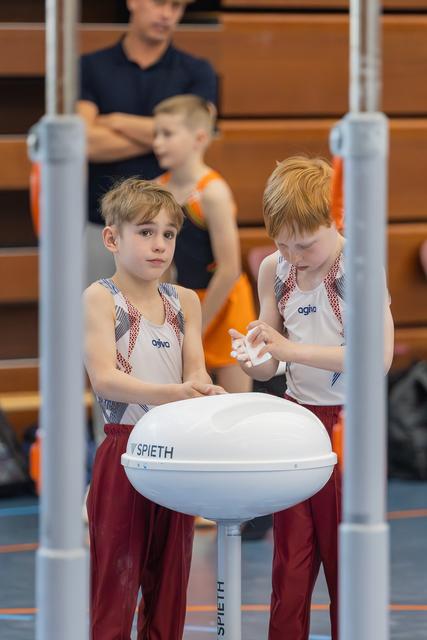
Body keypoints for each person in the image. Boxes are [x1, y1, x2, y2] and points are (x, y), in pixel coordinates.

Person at [229, 156, 394, 640]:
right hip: (298, 424)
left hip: (350, 426)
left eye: (305, 244)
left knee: (346, 560)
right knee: (291, 563)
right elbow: (272, 361)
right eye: (282, 244)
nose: (294, 256)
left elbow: (375, 359)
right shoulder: (274, 272)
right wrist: (253, 358)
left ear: (334, 221)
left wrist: (289, 349)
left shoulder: (357, 269)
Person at [84, 178, 224, 639]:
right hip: (125, 452)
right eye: (145, 232)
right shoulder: (101, 298)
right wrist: (178, 394)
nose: (159, 245)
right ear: (112, 238)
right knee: (115, 587)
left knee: (170, 587)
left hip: (176, 454)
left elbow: (196, 372)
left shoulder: (184, 302)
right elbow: (105, 378)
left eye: (168, 234)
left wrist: (206, 393)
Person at [78, 0, 217, 284]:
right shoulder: (91, 66)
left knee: (163, 324)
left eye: (177, 6)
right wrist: (171, 135)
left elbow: (198, 136)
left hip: (168, 227)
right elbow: (86, 142)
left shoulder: (197, 71)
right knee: (95, 321)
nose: (167, 14)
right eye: (159, 2)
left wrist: (114, 120)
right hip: (101, 222)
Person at [153, 94, 255, 392]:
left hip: (224, 301)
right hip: (187, 300)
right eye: (156, 134)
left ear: (199, 138)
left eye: (168, 134)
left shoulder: (213, 193)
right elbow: (160, 261)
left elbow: (229, 268)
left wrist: (196, 327)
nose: (158, 142)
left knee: (234, 402)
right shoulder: (160, 189)